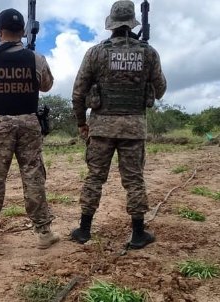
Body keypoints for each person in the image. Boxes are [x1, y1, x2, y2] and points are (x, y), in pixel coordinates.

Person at [69, 0, 167, 250]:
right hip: (133, 128)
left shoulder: (96, 52)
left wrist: (82, 123)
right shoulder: (149, 52)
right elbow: (161, 89)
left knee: (94, 178)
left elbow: (78, 92)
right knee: (134, 180)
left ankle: (84, 230)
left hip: (101, 128)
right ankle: (137, 233)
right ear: (132, 21)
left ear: (111, 23)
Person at [0, 8, 57, 249]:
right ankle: (44, 233)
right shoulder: (35, 58)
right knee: (33, 176)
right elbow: (46, 85)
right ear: (23, 32)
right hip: (29, 123)